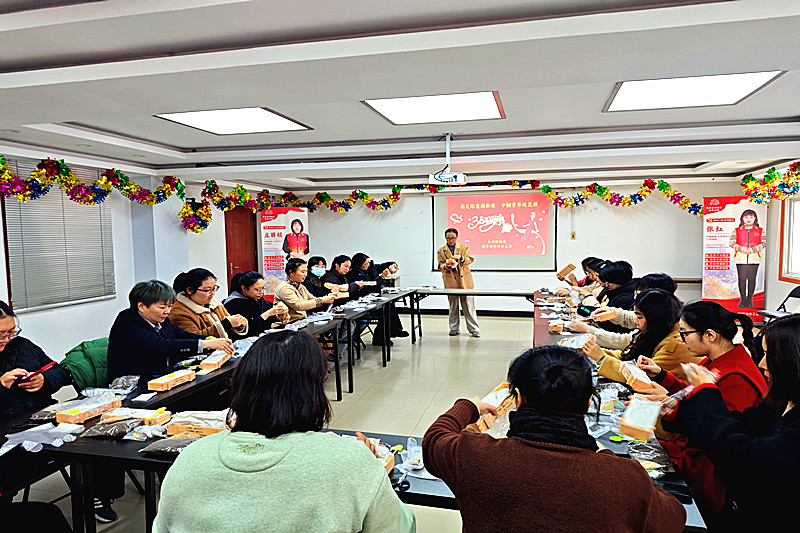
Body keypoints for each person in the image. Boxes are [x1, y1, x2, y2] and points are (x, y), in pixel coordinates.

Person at [153, 330, 416, 533]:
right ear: (314, 390)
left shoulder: (191, 457)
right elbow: (401, 528)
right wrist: (374, 472)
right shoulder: (350, 460)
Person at [422, 344, 685, 533]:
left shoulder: (473, 454)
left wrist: (468, 405)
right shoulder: (624, 476)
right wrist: (606, 457)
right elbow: (675, 518)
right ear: (589, 402)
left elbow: (434, 439)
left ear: (519, 398)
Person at [636, 300, 767, 519]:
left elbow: (719, 433)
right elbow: (693, 394)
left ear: (710, 335)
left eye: (685, 333)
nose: (681, 339)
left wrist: (666, 411)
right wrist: (661, 375)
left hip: (709, 471)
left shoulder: (736, 377)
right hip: (695, 449)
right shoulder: (719, 359)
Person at [672, 314, 800, 531]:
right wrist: (674, 410)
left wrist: (704, 393)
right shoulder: (782, 400)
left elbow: (739, 453)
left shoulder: (737, 373)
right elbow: (738, 422)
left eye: (769, 355)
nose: (761, 364)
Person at [108, 280, 233, 381]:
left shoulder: (161, 318)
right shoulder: (127, 323)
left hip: (163, 374)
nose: (167, 311)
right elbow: (159, 346)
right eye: (162, 307)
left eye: (169, 306)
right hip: (134, 381)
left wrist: (208, 339)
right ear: (141, 306)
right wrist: (204, 344)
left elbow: (180, 334)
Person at [581, 289, 701, 382]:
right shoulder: (658, 331)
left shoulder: (675, 344)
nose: (635, 321)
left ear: (655, 318)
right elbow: (629, 355)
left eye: (639, 317)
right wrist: (593, 352)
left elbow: (641, 377)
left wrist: (601, 358)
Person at [0, 301, 71, 421]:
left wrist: (44, 381)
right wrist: (1, 385)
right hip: (7, 425)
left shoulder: (22, 345)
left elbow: (59, 372)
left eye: (11, 332)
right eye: (1, 334)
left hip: (43, 414)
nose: (7, 339)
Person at [570, 273, 678, 349]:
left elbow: (626, 341)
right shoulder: (659, 312)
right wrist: (610, 311)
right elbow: (628, 317)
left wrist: (588, 330)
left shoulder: (664, 326)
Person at [169, 268, 249, 340]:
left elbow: (229, 328)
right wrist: (225, 324)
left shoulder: (214, 304)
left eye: (214, 289)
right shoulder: (179, 312)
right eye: (207, 290)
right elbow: (193, 339)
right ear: (189, 290)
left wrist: (238, 325)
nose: (212, 294)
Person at [349, 253, 408, 344]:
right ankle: (381, 338)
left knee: (389, 305)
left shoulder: (371, 267)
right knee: (385, 311)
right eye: (365, 264)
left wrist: (392, 265)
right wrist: (382, 277)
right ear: (358, 265)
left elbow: (382, 265)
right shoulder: (354, 274)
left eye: (368, 262)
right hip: (363, 301)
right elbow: (371, 285)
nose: (368, 265)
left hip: (375, 298)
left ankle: (395, 330)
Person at [436, 228, 479, 338]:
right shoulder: (441, 250)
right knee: (453, 306)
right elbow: (440, 265)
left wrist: (461, 258)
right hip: (450, 280)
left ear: (457, 237)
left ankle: (474, 329)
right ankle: (454, 328)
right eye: (448, 238)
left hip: (465, 280)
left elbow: (469, 260)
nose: (451, 240)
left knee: (469, 306)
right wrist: (446, 265)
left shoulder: (463, 248)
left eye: (453, 238)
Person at [223, 271, 289, 336]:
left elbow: (268, 314)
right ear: (244, 288)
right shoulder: (233, 304)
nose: (261, 292)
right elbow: (249, 330)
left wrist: (280, 314)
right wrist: (267, 314)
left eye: (263, 288)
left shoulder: (257, 298)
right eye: (257, 289)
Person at [274, 258, 335, 322]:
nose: (305, 274)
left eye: (306, 271)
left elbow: (312, 298)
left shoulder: (300, 286)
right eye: (302, 272)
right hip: (287, 324)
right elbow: (299, 305)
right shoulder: (284, 288)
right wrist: (323, 300)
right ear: (291, 272)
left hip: (300, 321)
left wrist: (327, 298)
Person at [728, 209, 765, 308]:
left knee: (752, 279)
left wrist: (753, 249)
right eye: (746, 217)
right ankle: (743, 299)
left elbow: (764, 243)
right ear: (742, 218)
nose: (748, 219)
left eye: (751, 217)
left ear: (755, 218)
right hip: (741, 258)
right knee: (742, 279)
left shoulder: (760, 230)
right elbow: (731, 243)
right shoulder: (736, 230)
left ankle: (750, 300)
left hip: (754, 258)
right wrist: (742, 249)